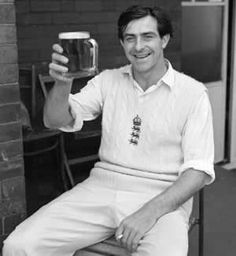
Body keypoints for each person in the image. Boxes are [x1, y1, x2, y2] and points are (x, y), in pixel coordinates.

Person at [3, 5, 215, 256]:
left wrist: (148, 213)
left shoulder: (192, 93)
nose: (138, 46)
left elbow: (198, 171)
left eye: (148, 36)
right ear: (122, 44)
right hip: (101, 187)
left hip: (162, 196)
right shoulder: (108, 80)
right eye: (130, 38)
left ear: (164, 40)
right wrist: (63, 83)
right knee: (19, 246)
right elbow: (54, 120)